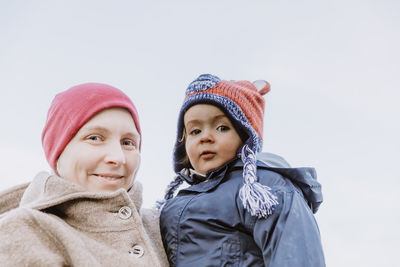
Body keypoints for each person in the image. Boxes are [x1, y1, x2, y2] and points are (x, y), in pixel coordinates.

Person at [158, 74, 325, 266]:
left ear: (246, 136)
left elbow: (295, 254)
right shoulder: (174, 204)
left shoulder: (264, 188)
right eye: (195, 131)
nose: (206, 137)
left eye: (221, 128)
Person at [0, 83, 169, 266]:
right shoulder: (25, 230)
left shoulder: (166, 226)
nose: (118, 158)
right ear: (58, 151)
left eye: (128, 143)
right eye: (95, 138)